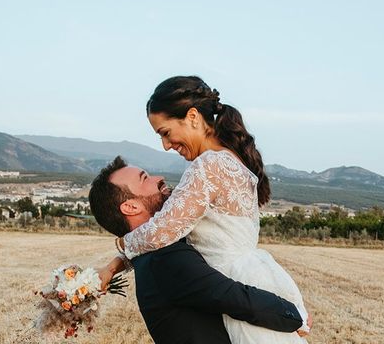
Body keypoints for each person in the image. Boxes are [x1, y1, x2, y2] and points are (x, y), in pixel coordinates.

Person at [105, 76, 310, 343]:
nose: (166, 145)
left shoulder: (208, 166)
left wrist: (121, 247)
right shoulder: (225, 159)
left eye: (165, 133)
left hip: (235, 283)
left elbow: (162, 231)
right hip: (251, 278)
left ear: (192, 117)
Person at [89, 156, 305, 344]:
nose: (158, 178)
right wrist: (294, 314)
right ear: (130, 207)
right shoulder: (164, 258)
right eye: (145, 178)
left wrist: (113, 265)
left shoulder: (149, 254)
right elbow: (235, 298)